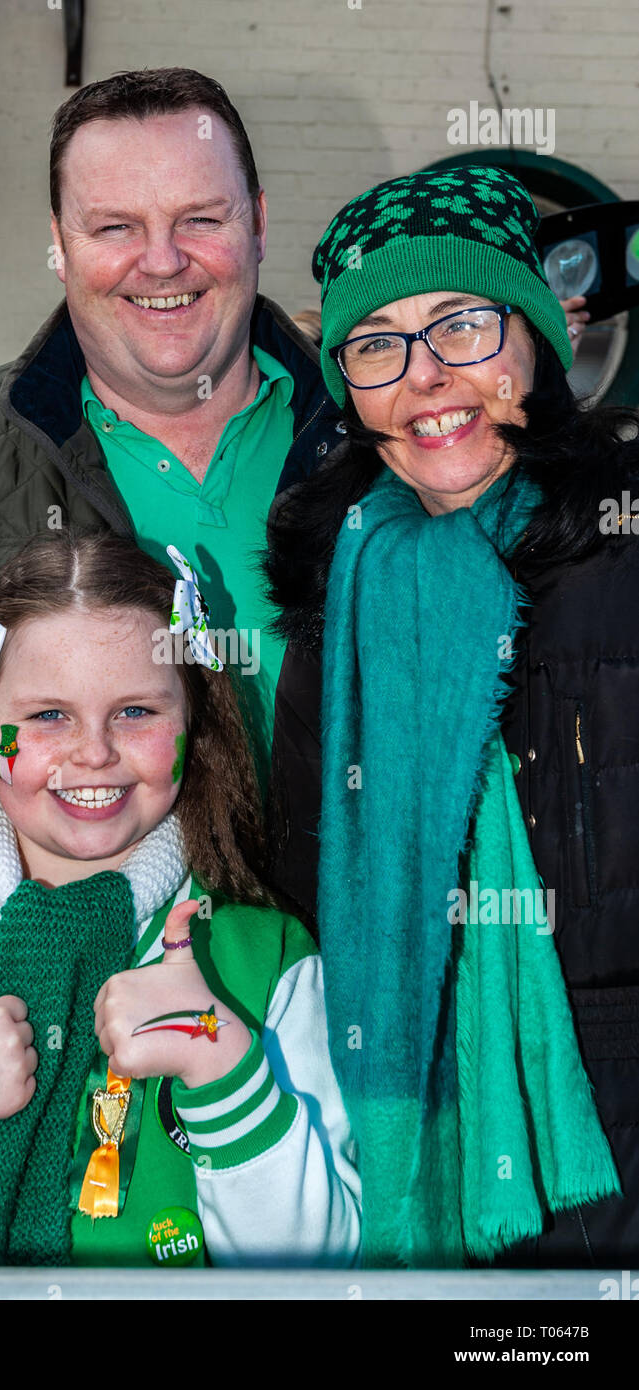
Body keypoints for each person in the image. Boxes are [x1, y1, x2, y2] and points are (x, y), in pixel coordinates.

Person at [0, 67, 348, 950]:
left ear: (258, 222)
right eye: (115, 226)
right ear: (59, 243)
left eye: (200, 218)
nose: (161, 260)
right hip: (32, 1037)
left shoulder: (382, 446)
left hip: (356, 1029)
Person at [0, 529, 360, 1267]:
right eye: (49, 715)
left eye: (137, 712)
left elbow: (319, 1269)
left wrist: (224, 1069)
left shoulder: (265, 962)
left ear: (195, 725)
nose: (93, 753)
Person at [264, 164, 639, 1267]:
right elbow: (301, 880)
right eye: (375, 343)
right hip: (409, 1137)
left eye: (462, 326)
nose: (426, 377)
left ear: (533, 337)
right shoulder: (339, 596)